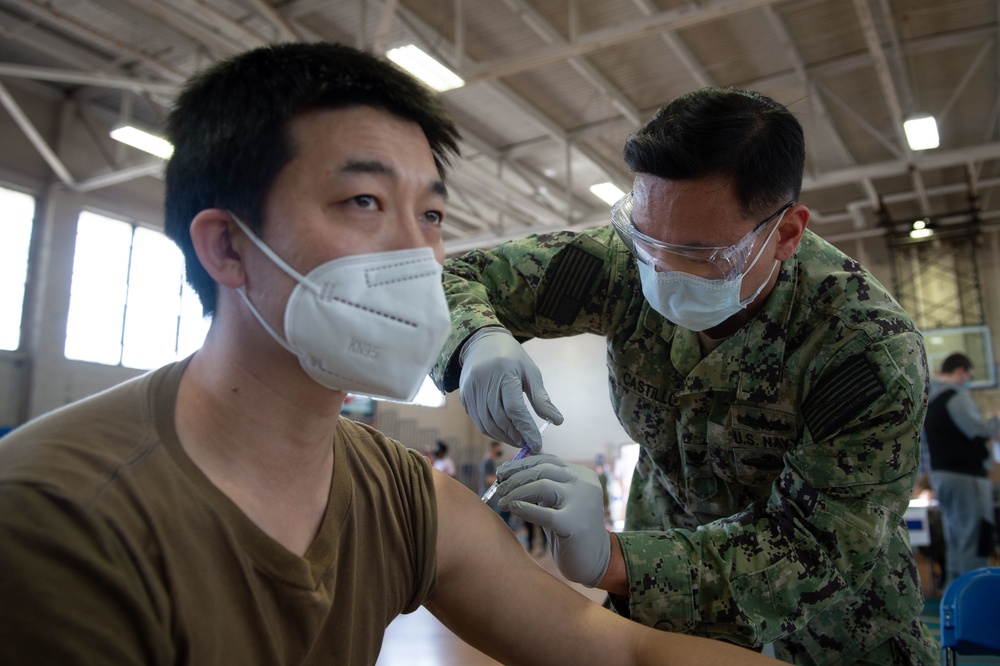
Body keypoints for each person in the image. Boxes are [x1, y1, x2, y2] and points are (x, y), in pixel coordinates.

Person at [0, 44, 776, 666]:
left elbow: (623, 649)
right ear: (228, 248)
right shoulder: (58, 523)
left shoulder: (397, 497)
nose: (422, 253)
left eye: (432, 212)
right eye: (364, 202)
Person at [432, 86, 939, 664]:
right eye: (647, 238)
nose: (663, 269)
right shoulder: (625, 263)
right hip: (669, 616)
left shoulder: (865, 349)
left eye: (699, 255)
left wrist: (614, 562)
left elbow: (818, 547)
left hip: (835, 628)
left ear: (787, 234)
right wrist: (475, 339)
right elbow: (450, 277)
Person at [924, 352, 1000, 587]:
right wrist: (996, 421)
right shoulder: (955, 397)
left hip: (941, 476)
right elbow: (976, 429)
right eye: (968, 375)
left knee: (956, 539)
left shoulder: (931, 401)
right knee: (975, 538)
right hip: (965, 476)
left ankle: (954, 595)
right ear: (960, 371)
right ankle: (972, 595)